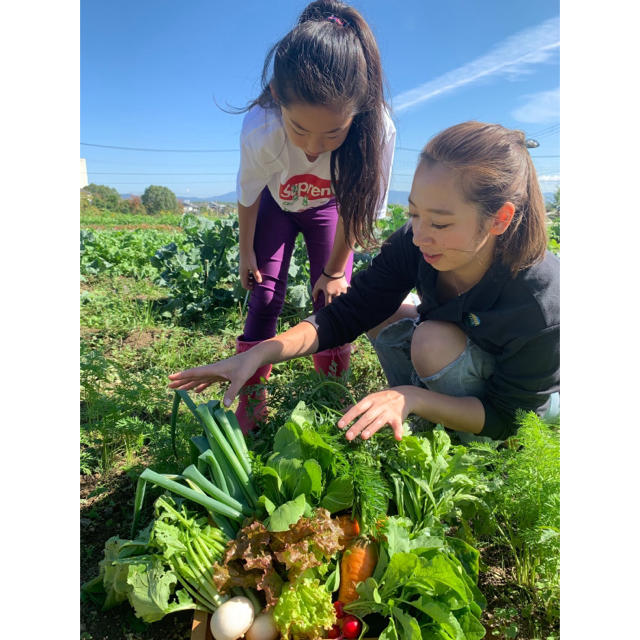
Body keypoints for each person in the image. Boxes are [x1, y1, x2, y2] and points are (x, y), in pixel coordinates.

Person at [169, 121, 559, 443]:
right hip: (467, 342)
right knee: (380, 311)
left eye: (440, 223)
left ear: (500, 220)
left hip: (521, 400)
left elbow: (509, 416)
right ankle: (420, 406)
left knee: (432, 342)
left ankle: (448, 430)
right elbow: (347, 315)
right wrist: (258, 354)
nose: (420, 234)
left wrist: (411, 397)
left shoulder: (538, 301)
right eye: (414, 214)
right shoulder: (416, 242)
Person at [227, 0, 395, 432]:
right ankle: (250, 396)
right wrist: (247, 252)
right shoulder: (260, 126)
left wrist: (336, 270)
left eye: (333, 133)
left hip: (331, 211)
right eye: (299, 130)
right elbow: (248, 195)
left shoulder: (377, 130)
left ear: (356, 115)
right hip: (275, 206)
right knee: (264, 295)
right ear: (279, 101)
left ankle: (330, 396)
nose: (314, 149)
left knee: (332, 298)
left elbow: (359, 210)